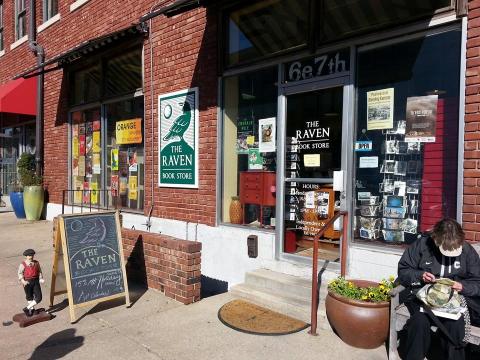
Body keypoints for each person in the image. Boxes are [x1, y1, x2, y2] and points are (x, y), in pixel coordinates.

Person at [397, 218, 480, 360]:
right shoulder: (422, 244)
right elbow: (404, 270)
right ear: (436, 240)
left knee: (456, 325)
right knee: (418, 323)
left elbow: (477, 281)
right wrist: (420, 275)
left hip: (454, 300)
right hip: (423, 298)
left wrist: (463, 287)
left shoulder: (467, 250)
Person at [18, 249, 45, 317]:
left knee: (39, 297)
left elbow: (39, 271)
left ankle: (27, 308)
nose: (31, 256)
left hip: (35, 281)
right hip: (27, 282)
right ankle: (32, 310)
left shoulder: (36, 263)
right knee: (29, 297)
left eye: (32, 255)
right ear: (26, 256)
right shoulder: (23, 264)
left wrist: (41, 278)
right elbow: (20, 273)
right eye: (29, 255)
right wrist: (23, 281)